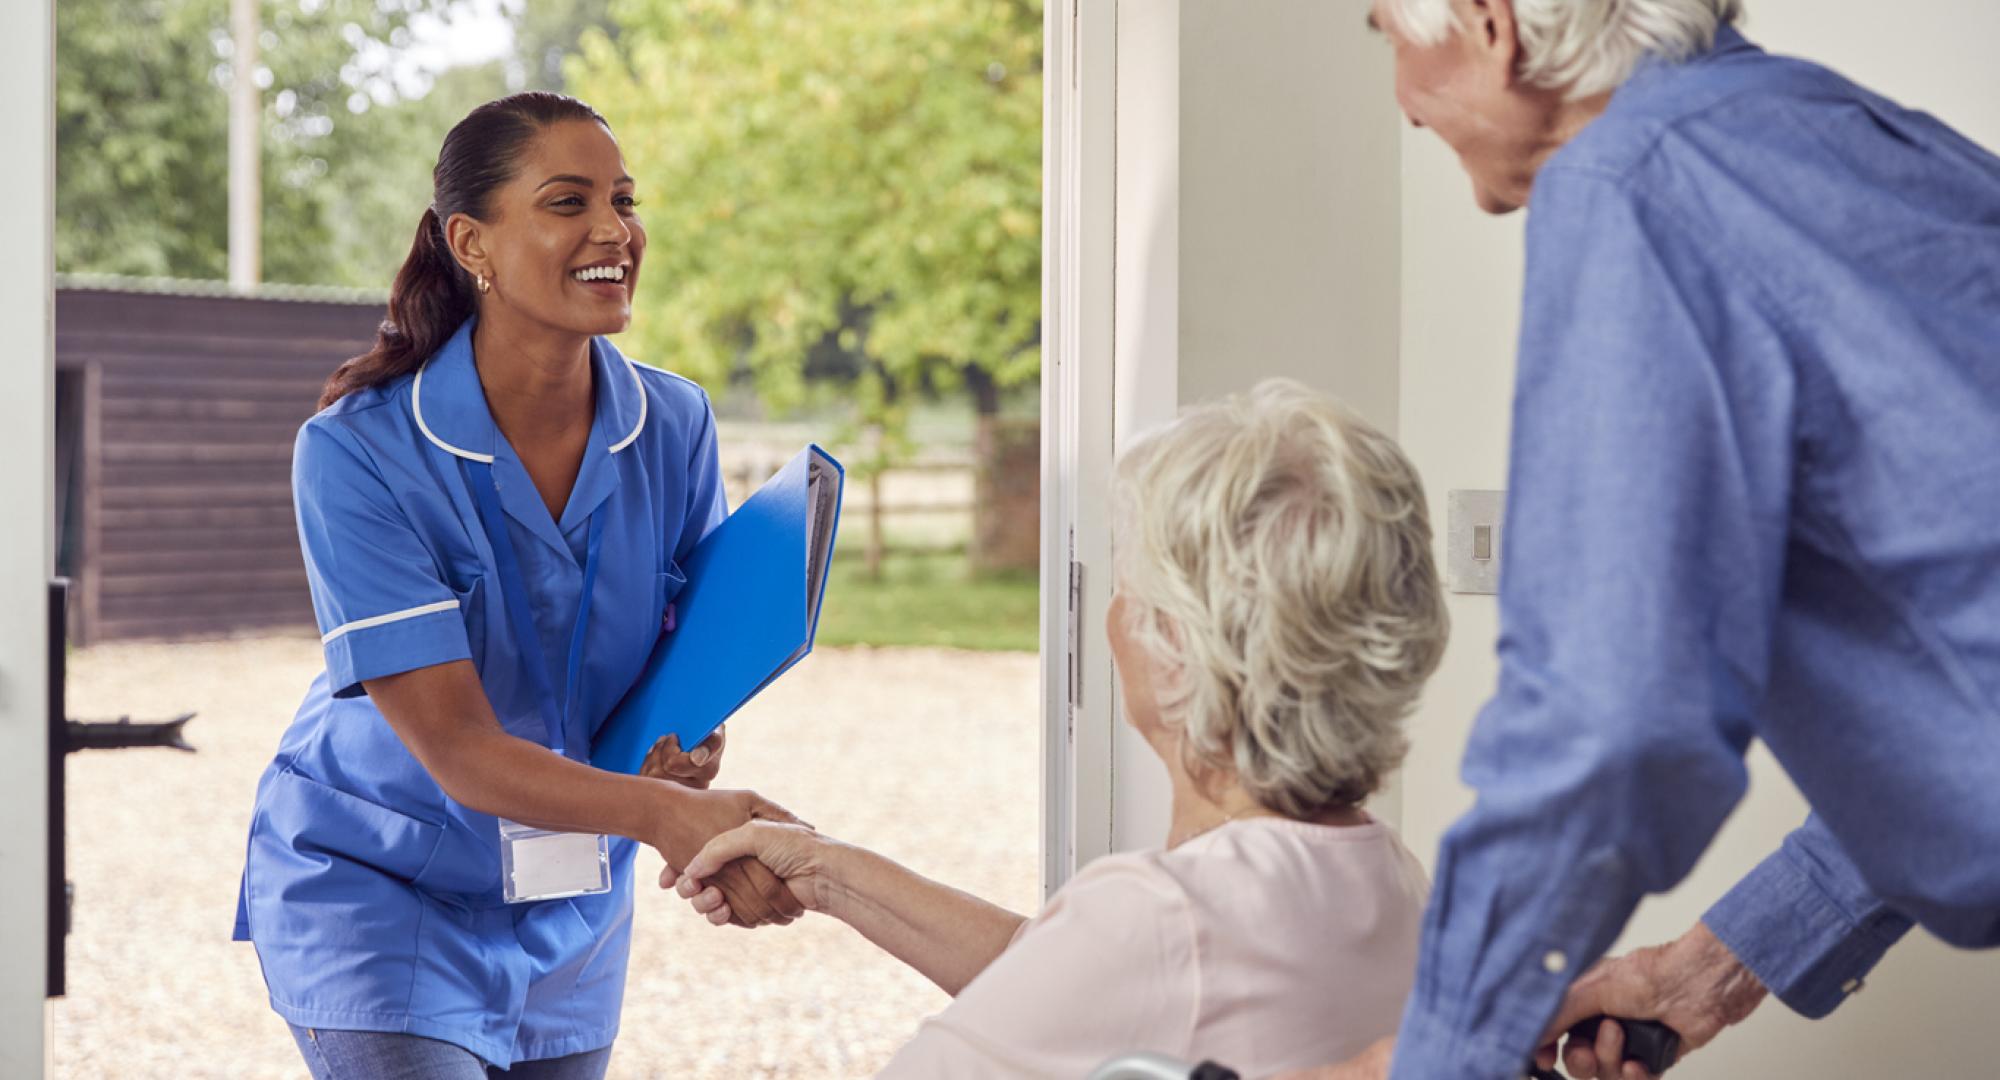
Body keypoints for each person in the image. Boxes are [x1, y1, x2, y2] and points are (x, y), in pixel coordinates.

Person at [1291, 2, 2000, 1078]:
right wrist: (1705, 973)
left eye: (1384, 32)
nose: (1396, 100)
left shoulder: (1629, 185)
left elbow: (1603, 724)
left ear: (1490, 27)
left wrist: (1440, 1063)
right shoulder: (1837, 135)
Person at [232, 92, 805, 1079]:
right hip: (385, 888)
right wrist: (667, 819)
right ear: (473, 243)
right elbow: (455, 745)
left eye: (623, 200)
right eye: (566, 202)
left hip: (571, 898)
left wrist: (685, 747)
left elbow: (689, 653)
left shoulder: (674, 424)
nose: (613, 230)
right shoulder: (358, 451)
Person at [664, 380, 1451, 1078]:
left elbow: (1095, 976)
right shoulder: (1391, 878)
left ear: (1180, 652)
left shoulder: (1161, 915)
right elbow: (1070, 983)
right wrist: (826, 871)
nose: (1113, 613)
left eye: (1129, 584)